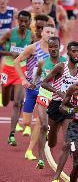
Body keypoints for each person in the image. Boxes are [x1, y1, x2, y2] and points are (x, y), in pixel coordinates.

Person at [41, 41, 78, 182]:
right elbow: (44, 83)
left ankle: (55, 179)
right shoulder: (60, 67)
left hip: (68, 111)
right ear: (68, 53)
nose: (77, 54)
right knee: (52, 143)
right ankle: (49, 136)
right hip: (55, 107)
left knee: (66, 144)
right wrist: (58, 92)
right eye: (74, 51)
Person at [14, 24, 56, 155]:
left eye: (52, 33)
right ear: (42, 33)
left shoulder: (54, 51)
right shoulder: (32, 48)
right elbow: (16, 61)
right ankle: (31, 129)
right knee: (27, 122)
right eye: (47, 32)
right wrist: (23, 79)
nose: (49, 34)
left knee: (40, 120)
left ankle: (31, 149)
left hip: (45, 90)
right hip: (32, 89)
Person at [25, 36, 66, 166]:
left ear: (60, 47)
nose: (53, 49)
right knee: (43, 125)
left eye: (55, 46)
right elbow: (38, 73)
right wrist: (33, 82)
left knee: (53, 128)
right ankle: (41, 158)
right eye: (51, 47)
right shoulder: (43, 61)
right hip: (44, 95)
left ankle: (50, 137)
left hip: (58, 99)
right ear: (48, 48)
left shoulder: (65, 62)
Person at [0, 10, 32, 146]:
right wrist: (9, 52)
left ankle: (11, 134)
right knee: (6, 101)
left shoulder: (32, 36)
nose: (23, 23)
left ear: (30, 22)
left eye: (26, 21)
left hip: (21, 70)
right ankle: (4, 92)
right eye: (21, 21)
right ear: (17, 21)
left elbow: (34, 52)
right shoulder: (9, 33)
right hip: (7, 68)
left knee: (18, 102)